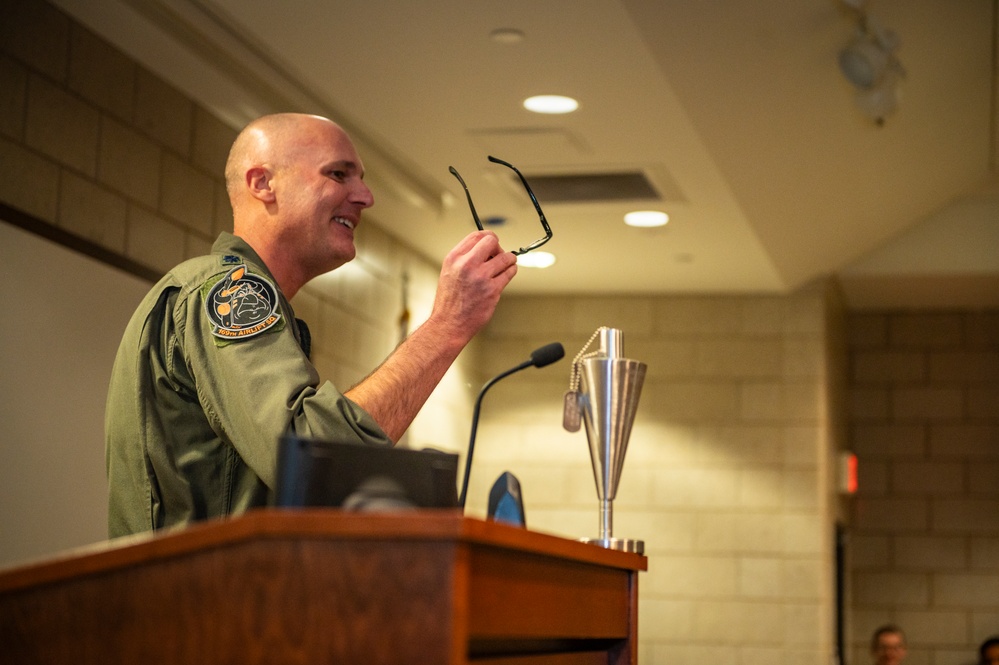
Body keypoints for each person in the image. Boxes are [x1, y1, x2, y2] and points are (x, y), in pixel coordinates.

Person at [105, 113, 518, 537]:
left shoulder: (258, 302)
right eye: (339, 174)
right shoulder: (230, 292)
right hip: (199, 599)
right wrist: (447, 324)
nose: (365, 197)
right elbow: (314, 466)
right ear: (263, 184)